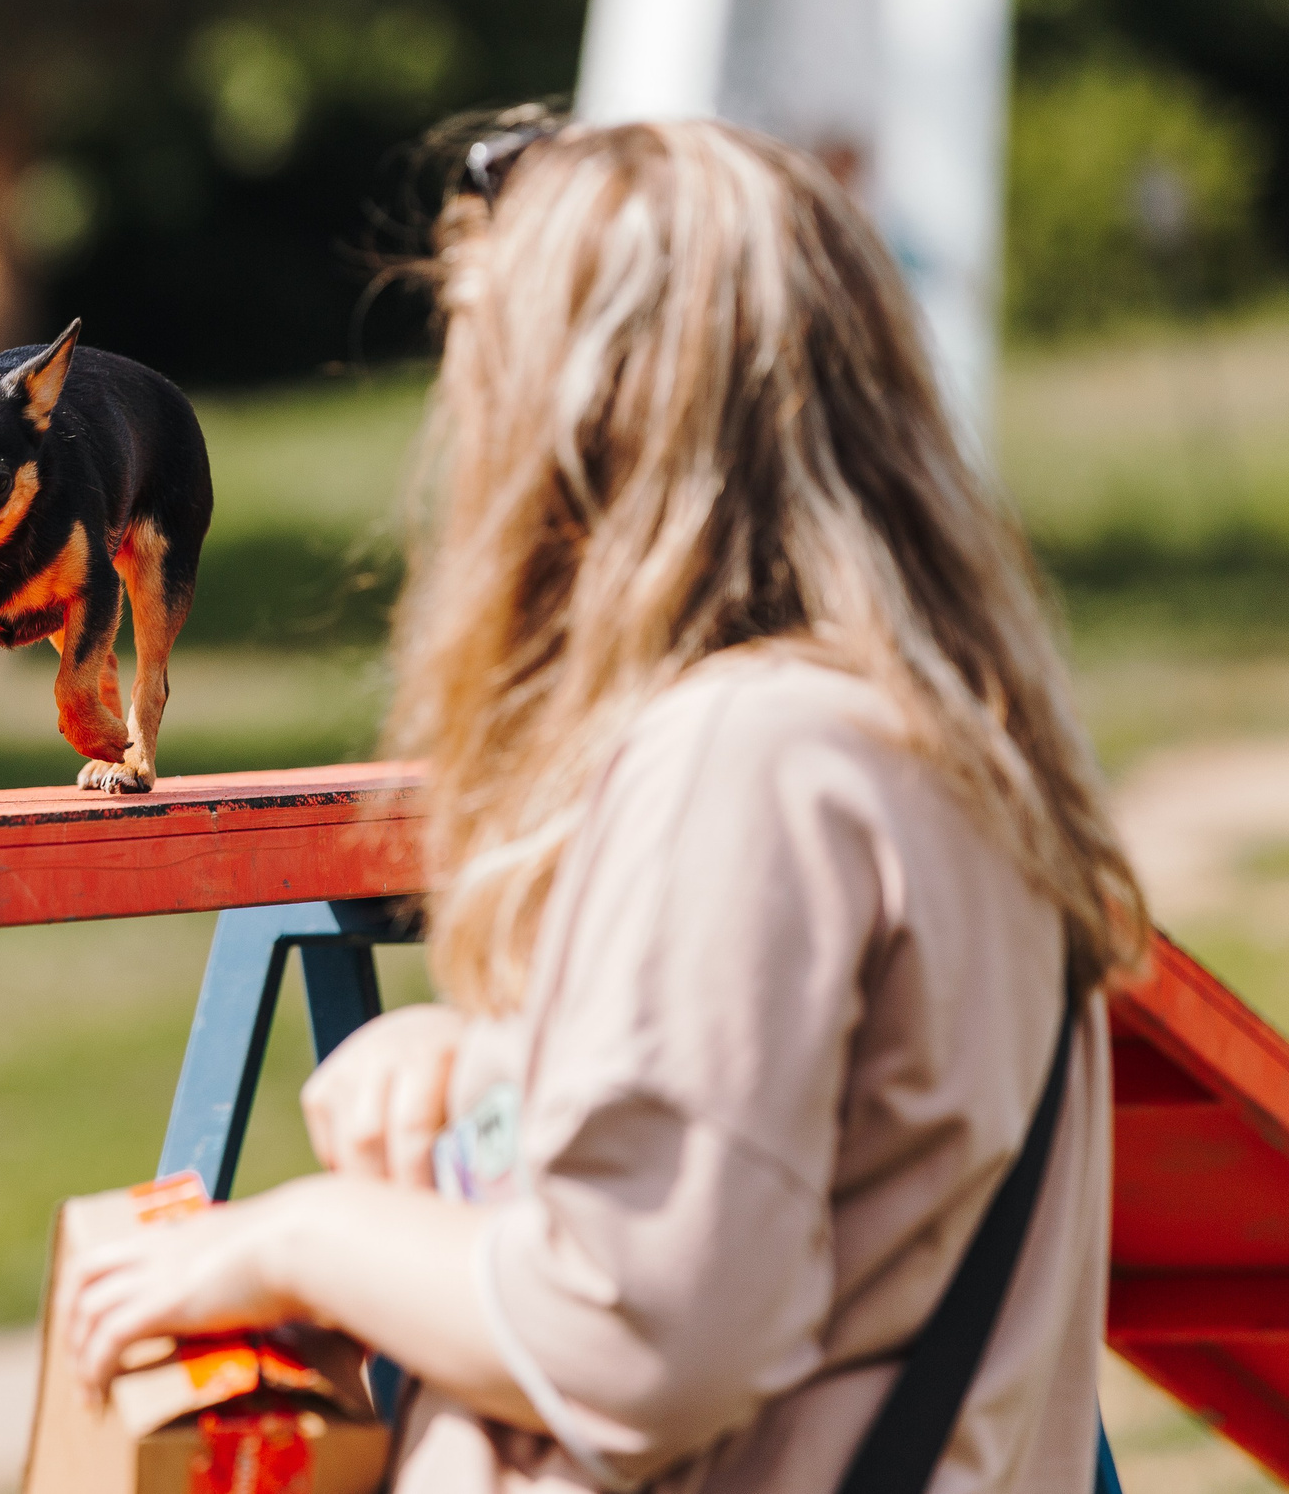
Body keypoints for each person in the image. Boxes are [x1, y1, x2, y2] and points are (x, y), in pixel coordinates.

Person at [61, 114, 1145, 1492]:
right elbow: (846, 1167)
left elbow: (639, 1339)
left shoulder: (750, 760)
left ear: (581, 427)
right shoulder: (939, 738)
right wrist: (505, 1077)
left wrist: (290, 1242)